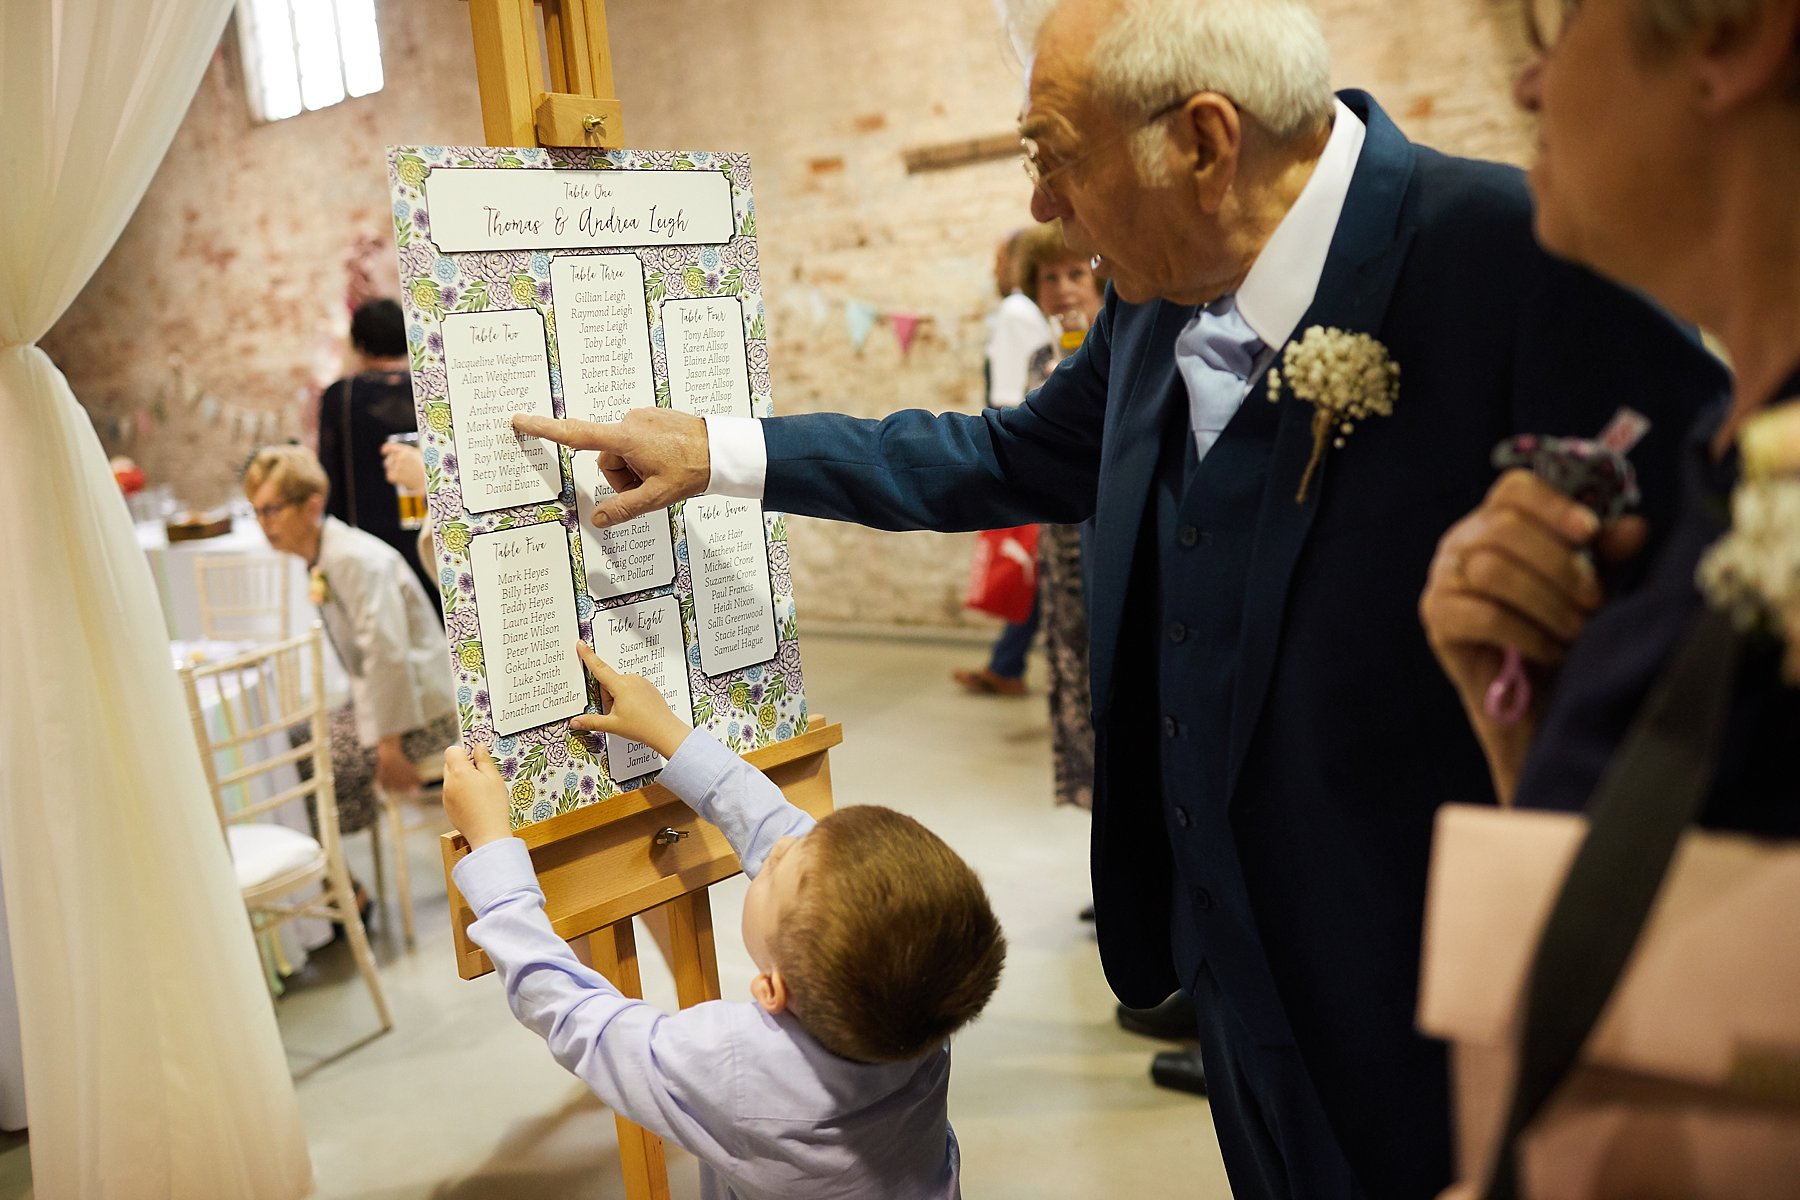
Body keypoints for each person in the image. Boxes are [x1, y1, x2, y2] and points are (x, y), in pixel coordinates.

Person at [512, 0, 1727, 1193]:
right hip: (1231, 982)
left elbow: (1715, 637)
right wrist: (722, 454)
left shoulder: (1523, 253)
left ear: (1202, 144)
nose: (1041, 204)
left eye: (1054, 154)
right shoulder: (1156, 295)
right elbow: (1000, 454)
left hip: (1436, 993)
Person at [442, 643, 1007, 1200]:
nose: (782, 846)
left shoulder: (733, 1069)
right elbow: (780, 830)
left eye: (776, 869)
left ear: (770, 989)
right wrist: (671, 735)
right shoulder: (921, 998)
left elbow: (578, 1018)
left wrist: (493, 849)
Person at [1419, 0, 1800, 825]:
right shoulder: (1735, 455)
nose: (1528, 84)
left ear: (1730, 33)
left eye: (1562, 26)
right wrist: (1533, 728)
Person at [243, 446, 457, 839]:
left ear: (310, 507)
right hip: (395, 703)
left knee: (307, 757)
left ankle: (341, 886)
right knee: (291, 739)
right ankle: (338, 880)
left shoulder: (352, 559)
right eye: (257, 511)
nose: (263, 523)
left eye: (272, 510)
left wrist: (388, 748)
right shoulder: (326, 554)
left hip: (425, 714)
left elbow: (386, 653)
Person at [955, 229, 1050, 697]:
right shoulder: (1025, 311)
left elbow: (1015, 389)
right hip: (1023, 439)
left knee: (1032, 562)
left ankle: (1008, 664)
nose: (992, 270)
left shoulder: (1015, 310)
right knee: (1035, 564)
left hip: (1016, 441)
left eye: (998, 260)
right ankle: (1007, 662)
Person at [317, 297, 438, 608]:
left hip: (369, 542)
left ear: (359, 343)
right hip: (432, 535)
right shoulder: (433, 388)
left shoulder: (341, 396)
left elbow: (331, 477)